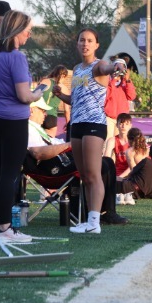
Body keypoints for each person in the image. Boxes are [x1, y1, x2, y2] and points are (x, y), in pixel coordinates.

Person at [52, 28, 128, 234]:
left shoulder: (99, 65)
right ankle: (88, 220)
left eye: (89, 40)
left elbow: (110, 67)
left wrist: (118, 64)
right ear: (77, 43)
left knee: (94, 174)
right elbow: (76, 99)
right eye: (82, 40)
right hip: (76, 124)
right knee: (84, 176)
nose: (85, 44)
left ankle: (95, 222)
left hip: (94, 124)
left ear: (96, 45)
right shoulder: (77, 69)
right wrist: (61, 95)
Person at [24, 98, 128, 225]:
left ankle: (108, 211)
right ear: (31, 110)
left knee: (108, 162)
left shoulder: (37, 129)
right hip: (51, 169)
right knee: (100, 165)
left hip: (59, 162)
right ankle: (93, 212)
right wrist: (70, 145)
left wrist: (72, 145)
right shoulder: (28, 128)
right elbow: (37, 153)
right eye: (42, 110)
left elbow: (53, 144)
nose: (45, 114)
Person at [0, 10, 44, 243]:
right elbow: (24, 96)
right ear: (16, 30)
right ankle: (4, 228)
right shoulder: (16, 57)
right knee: (8, 174)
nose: (29, 34)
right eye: (28, 30)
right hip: (12, 121)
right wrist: (38, 93)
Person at [103, 56, 137, 157]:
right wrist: (113, 80)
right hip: (109, 118)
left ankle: (118, 163)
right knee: (108, 142)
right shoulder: (108, 82)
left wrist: (127, 80)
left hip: (122, 119)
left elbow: (131, 96)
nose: (119, 71)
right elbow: (106, 96)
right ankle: (107, 163)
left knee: (120, 143)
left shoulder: (126, 83)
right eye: (117, 68)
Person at [38, 65, 71, 130]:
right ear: (63, 76)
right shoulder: (64, 88)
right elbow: (66, 110)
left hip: (39, 115)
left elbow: (34, 95)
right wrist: (68, 124)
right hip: (51, 117)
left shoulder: (45, 81)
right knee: (50, 136)